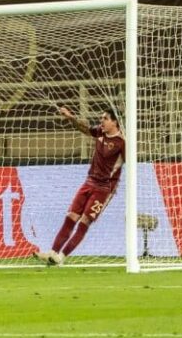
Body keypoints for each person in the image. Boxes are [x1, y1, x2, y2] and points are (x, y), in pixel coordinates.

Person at [34, 107, 125, 266]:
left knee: (84, 221)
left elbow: (128, 163)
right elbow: (85, 128)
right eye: (101, 118)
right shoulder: (100, 132)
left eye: (105, 118)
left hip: (104, 189)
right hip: (89, 182)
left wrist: (114, 187)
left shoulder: (122, 143)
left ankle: (61, 257)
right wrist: (71, 117)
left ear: (115, 122)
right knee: (71, 217)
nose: (101, 121)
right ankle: (53, 252)